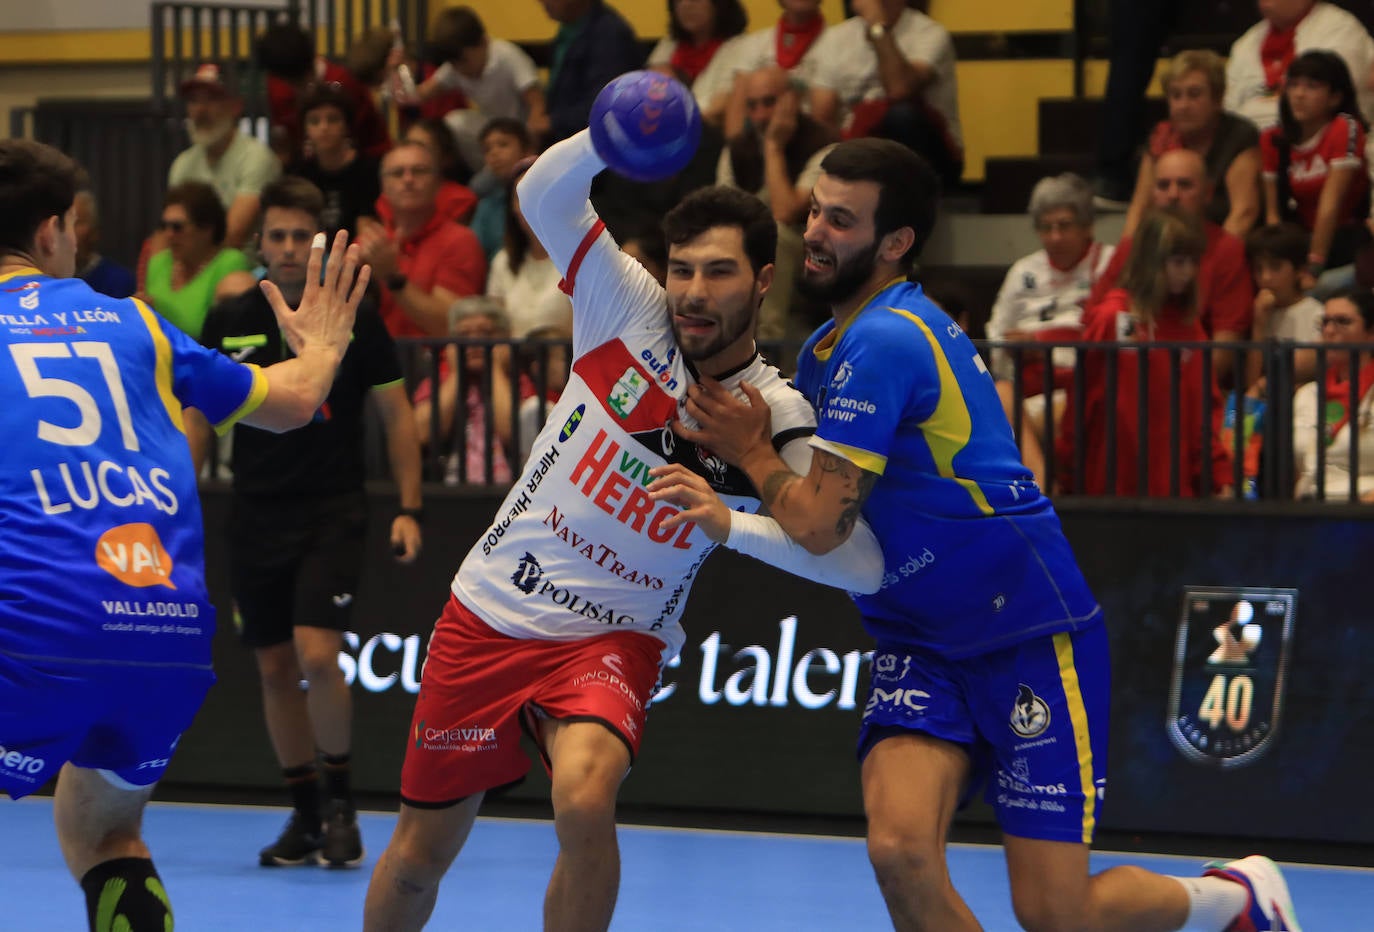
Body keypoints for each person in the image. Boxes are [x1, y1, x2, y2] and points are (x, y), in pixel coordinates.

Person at [662, 137, 1302, 932]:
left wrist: (753, 453)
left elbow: (823, 525)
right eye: (818, 210)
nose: (818, 232)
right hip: (920, 641)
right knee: (899, 852)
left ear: (895, 244)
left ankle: (1238, 900)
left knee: (1055, 914)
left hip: (1023, 633)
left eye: (843, 220)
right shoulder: (833, 344)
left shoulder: (886, 339)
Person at [362, 126, 885, 931]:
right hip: (491, 616)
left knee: (583, 797)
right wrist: (608, 132)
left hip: (614, 640)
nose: (692, 292)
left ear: (764, 279)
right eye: (682, 269)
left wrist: (729, 519)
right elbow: (541, 193)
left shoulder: (775, 415)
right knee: (420, 857)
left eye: (718, 272)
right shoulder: (626, 307)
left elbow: (856, 562)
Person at [0, 138, 367, 932]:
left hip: (27, 630)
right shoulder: (138, 325)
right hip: (161, 634)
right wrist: (328, 344)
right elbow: (296, 399)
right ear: (54, 230)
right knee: (105, 830)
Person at [191, 176, 424, 869]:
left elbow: (396, 413)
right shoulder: (228, 316)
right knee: (271, 665)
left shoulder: (353, 316)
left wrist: (410, 507)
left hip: (333, 509)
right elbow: (199, 417)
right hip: (254, 512)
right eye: (279, 236)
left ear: (316, 244)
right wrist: (173, 493)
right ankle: (304, 815)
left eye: (302, 236)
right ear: (260, 244)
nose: (290, 248)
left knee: (317, 653)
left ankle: (344, 803)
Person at [1060, 209, 1233, 498]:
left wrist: (1217, 474)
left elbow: (1205, 410)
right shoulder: (1111, 318)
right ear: (1152, 262)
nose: (1188, 272)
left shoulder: (1190, 328)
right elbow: (1082, 403)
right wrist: (1066, 469)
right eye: (1178, 262)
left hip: (1175, 490)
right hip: (1109, 484)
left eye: (1193, 262)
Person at [987, 173, 1114, 488]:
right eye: (1046, 227)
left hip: (1088, 383)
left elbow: (1112, 332)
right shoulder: (1023, 271)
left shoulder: (1110, 264)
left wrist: (1044, 343)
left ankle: (1044, 488)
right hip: (1028, 386)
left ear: (1088, 226)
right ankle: (1042, 485)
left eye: (1064, 226)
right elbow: (997, 332)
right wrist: (1014, 350)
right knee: (1000, 394)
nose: (1054, 237)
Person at [1089, 148, 1255, 386]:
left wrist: (1170, 396)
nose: (1173, 195)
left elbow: (1224, 350)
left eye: (1185, 185)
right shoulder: (1129, 250)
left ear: (1207, 193)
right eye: (1163, 185)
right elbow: (1092, 340)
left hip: (1194, 391)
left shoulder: (1226, 250)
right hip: (1123, 391)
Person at [806, 0, 963, 186]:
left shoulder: (929, 33)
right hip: (859, 148)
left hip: (931, 157)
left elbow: (899, 88)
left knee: (901, 114)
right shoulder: (835, 38)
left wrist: (877, 26)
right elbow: (822, 117)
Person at [1122, 50, 1262, 240]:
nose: (1183, 105)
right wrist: (1126, 257)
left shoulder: (1239, 136)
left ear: (1217, 99)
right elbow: (1140, 207)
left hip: (1226, 245)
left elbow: (1244, 213)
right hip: (1173, 247)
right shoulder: (1161, 137)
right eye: (1175, 95)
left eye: (1194, 95)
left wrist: (1211, 264)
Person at [356, 141, 485, 338]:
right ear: (383, 187)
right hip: (377, 363)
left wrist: (392, 278)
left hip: (437, 365)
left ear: (438, 182)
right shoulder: (369, 242)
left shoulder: (460, 241)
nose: (408, 180)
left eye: (419, 171)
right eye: (398, 173)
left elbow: (451, 327)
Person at [1260, 50, 1370, 281]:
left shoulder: (1344, 127)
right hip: (1299, 239)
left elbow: (1330, 205)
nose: (1299, 94)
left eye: (1312, 86)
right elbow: (1273, 214)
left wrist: (1314, 266)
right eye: (1293, 85)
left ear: (1335, 97)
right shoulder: (1273, 138)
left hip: (1348, 239)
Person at [408, 6, 549, 173]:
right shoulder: (456, 66)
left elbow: (537, 104)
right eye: (454, 64)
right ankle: (490, 170)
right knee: (456, 121)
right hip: (493, 130)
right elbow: (421, 94)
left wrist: (530, 144)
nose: (460, 70)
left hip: (520, 131)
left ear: (483, 42)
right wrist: (401, 78)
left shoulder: (507, 57)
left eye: (464, 61)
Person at [167, 63, 281, 252]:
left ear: (236, 106)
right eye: (194, 101)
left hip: (248, 272)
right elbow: (171, 229)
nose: (200, 110)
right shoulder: (182, 164)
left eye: (211, 99)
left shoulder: (256, 158)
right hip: (193, 268)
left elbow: (232, 236)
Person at [1225, 0, 1374, 131]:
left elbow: (1336, 104)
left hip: (1320, 143)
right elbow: (1227, 107)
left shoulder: (1341, 29)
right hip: (1250, 145)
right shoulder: (1245, 43)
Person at [255, 21, 391, 163]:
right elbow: (285, 137)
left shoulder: (346, 83)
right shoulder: (276, 85)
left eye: (299, 81)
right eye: (288, 82)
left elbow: (372, 136)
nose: (294, 88)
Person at [142, 181, 254, 340]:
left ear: (207, 229)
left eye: (177, 227)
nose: (168, 234)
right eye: (164, 226)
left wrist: (158, 318)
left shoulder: (229, 263)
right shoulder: (157, 263)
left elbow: (222, 329)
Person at [1292, 288, 1374, 500]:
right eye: (1325, 322)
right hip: (1310, 510)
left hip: (1362, 513)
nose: (1329, 330)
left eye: (1342, 322)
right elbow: (1300, 470)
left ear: (1370, 333)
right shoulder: (1307, 394)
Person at [488, 160, 574, 338]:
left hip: (566, 362)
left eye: (537, 195)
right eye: (520, 198)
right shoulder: (502, 261)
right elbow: (496, 331)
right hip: (514, 362)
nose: (528, 206)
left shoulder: (581, 258)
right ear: (512, 208)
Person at [538, 0, 643, 144]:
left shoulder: (609, 33)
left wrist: (552, 123)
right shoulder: (568, 32)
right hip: (574, 144)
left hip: (596, 151)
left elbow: (607, 103)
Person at [288, 84, 383, 238]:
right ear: (305, 129)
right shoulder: (299, 173)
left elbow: (366, 231)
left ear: (346, 126)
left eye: (333, 119)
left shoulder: (369, 170)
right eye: (314, 121)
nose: (324, 127)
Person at [1245, 222, 1323, 389]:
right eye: (1258, 269)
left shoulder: (1317, 314)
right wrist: (1258, 326)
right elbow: (1250, 385)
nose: (1265, 277)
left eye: (1275, 267)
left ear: (1300, 270)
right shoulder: (1259, 312)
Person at [647, 0, 751, 123]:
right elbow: (647, 94)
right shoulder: (668, 45)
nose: (686, 4)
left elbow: (719, 107)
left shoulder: (741, 47)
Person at [73, 189, 136, 299]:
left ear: (95, 231)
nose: (69, 231)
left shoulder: (119, 281)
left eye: (77, 222)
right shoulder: (47, 281)